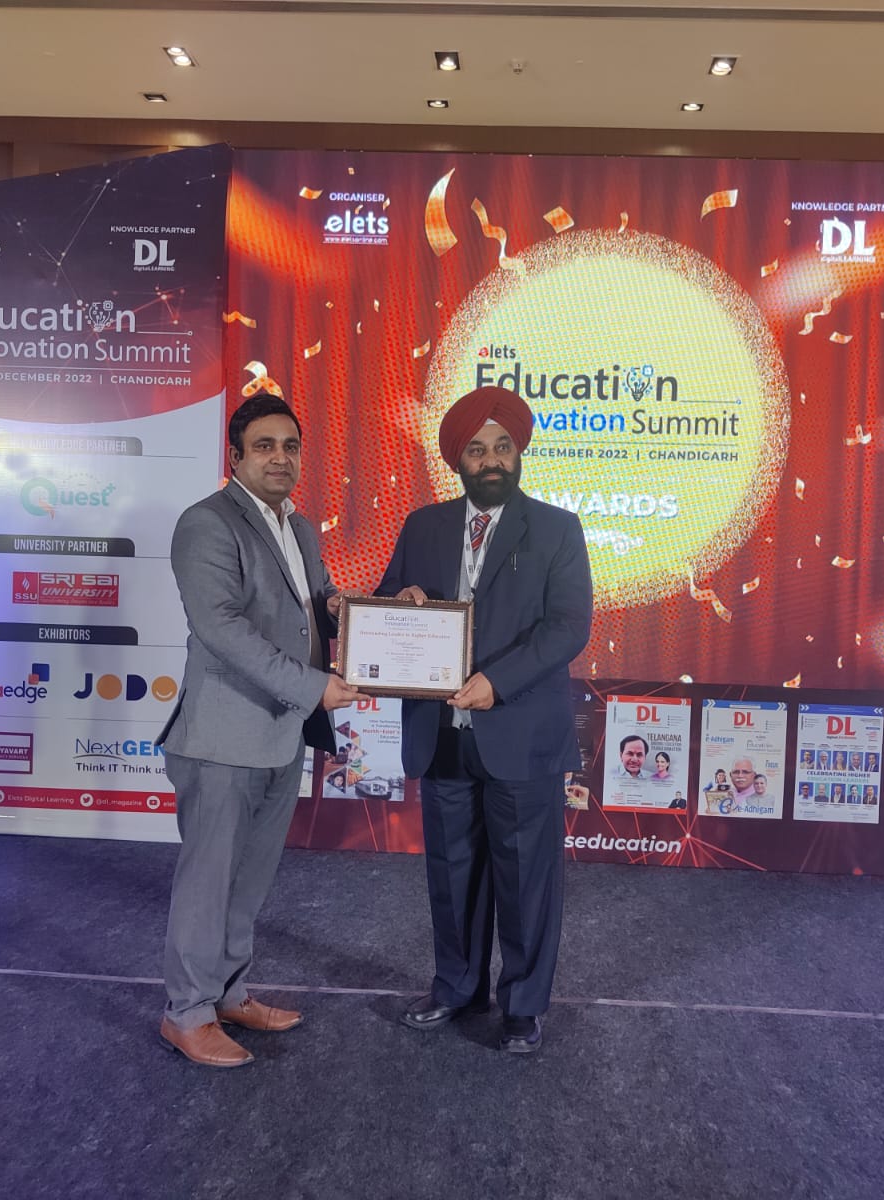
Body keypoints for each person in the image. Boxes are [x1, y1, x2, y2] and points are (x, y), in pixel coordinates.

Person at [378, 385, 592, 1055]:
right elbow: (385, 601)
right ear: (458, 460)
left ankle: (523, 1006)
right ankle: (456, 987)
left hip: (520, 731)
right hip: (441, 733)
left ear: (518, 453)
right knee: (451, 872)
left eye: (502, 447)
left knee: (525, 877)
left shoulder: (557, 528)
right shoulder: (423, 525)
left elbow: (568, 627)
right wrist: (403, 602)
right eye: (477, 449)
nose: (491, 460)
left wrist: (496, 683)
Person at [155, 393, 365, 1069]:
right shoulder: (207, 523)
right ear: (235, 457)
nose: (281, 458)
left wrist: (357, 612)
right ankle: (187, 1013)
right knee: (208, 881)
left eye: (290, 446)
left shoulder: (298, 526)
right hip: (223, 737)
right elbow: (221, 627)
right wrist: (312, 687)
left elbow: (314, 605)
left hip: (280, 734)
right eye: (265, 446)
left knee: (248, 880)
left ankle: (227, 993)